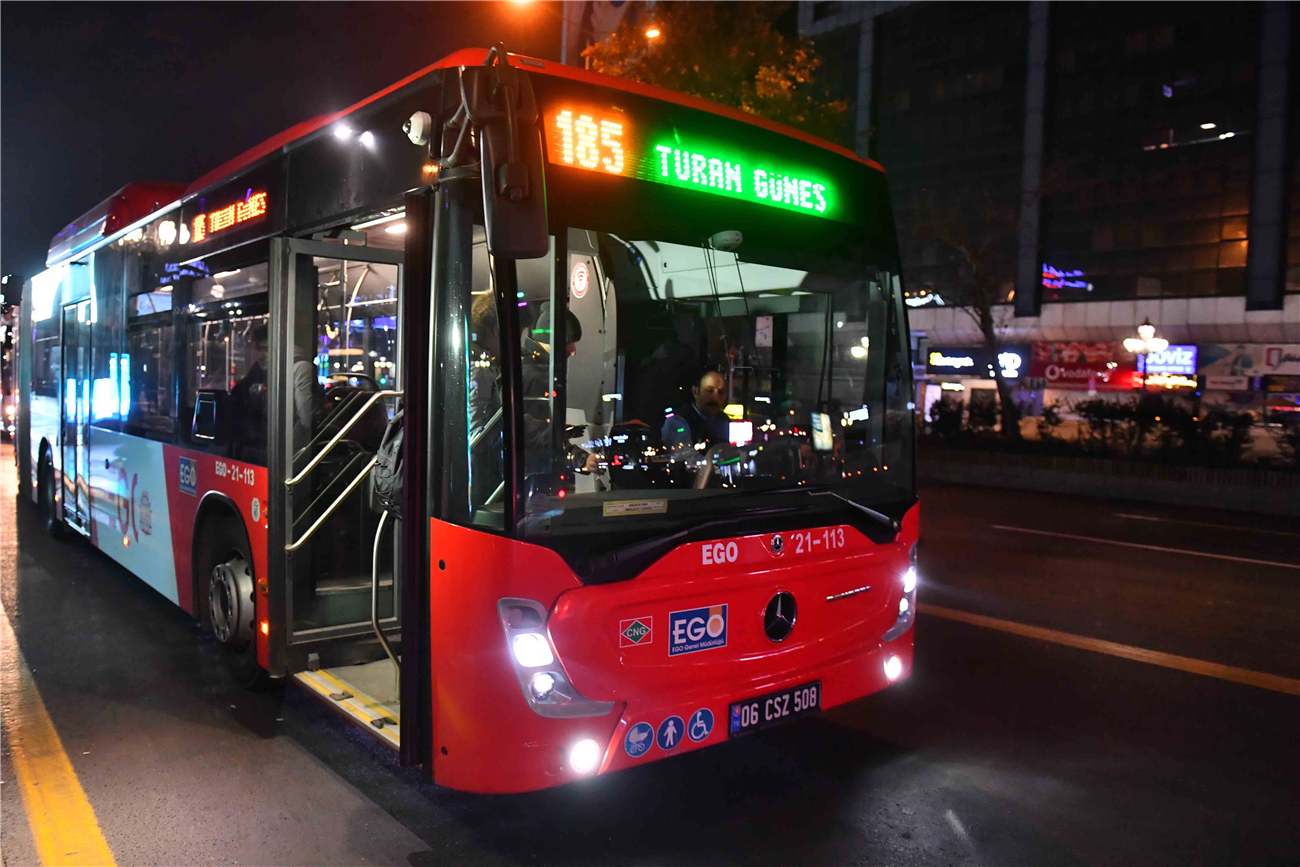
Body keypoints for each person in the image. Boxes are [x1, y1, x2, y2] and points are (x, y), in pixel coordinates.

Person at [522, 301, 600, 475]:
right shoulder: (535, 377)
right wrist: (579, 459)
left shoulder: (531, 369)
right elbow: (531, 431)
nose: (573, 351)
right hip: (532, 475)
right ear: (553, 340)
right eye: (568, 342)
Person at [662, 369, 730, 449]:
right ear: (695, 392)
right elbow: (683, 455)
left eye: (721, 392)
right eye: (709, 391)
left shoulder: (724, 420)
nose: (715, 397)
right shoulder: (678, 421)